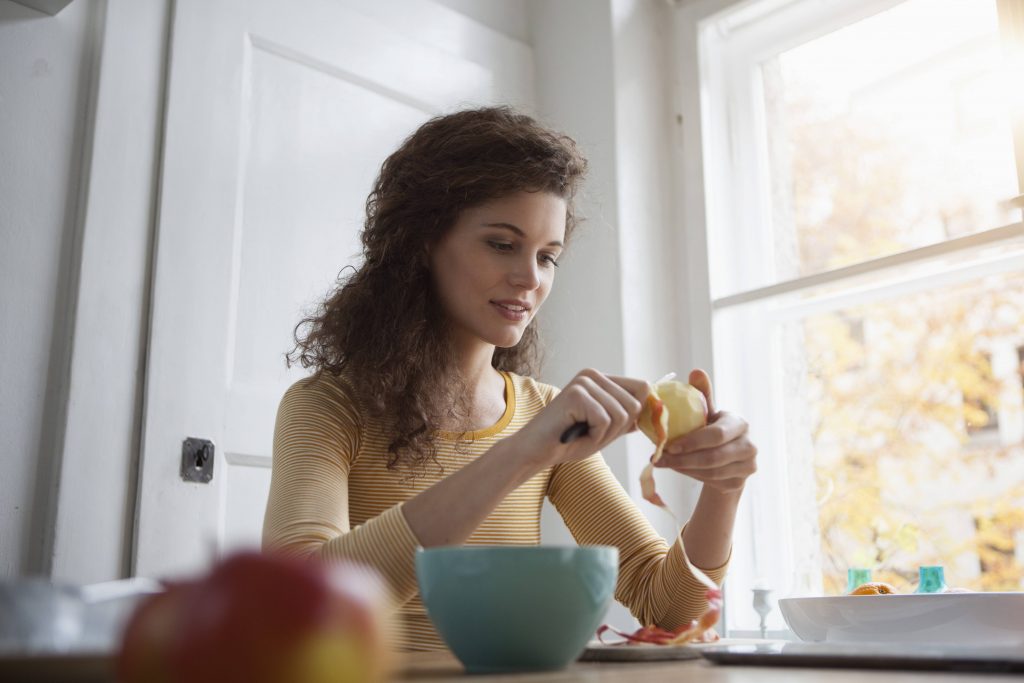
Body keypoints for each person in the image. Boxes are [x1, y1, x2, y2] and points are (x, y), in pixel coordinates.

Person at [262, 106, 757, 651]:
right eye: (502, 244)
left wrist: (724, 488)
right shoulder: (327, 406)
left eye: (548, 257)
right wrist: (523, 452)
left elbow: (671, 611)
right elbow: (297, 604)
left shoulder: (539, 417)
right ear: (421, 240)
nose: (529, 279)